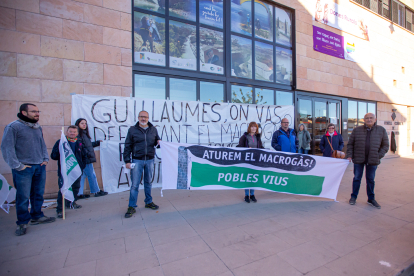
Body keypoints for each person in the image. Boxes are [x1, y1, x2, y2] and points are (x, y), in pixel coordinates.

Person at [1, 103, 55, 236]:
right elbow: (7, 148)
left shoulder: (37, 127)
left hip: (39, 166)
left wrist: (45, 159)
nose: (37, 114)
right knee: (23, 196)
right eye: (33, 112)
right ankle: (22, 222)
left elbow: (42, 144)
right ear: (24, 113)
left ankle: (37, 215)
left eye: (38, 111)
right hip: (24, 168)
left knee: (38, 193)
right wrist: (18, 166)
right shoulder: (13, 127)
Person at [346, 113, 389, 209]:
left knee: (370, 180)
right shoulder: (357, 130)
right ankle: (353, 197)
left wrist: (378, 156)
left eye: (371, 118)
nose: (369, 120)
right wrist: (349, 155)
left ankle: (371, 199)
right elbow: (350, 144)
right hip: (358, 159)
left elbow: (385, 145)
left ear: (375, 119)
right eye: (367, 118)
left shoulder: (381, 130)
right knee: (357, 178)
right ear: (364, 120)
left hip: (373, 160)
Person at [124, 111, 161, 218]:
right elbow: (127, 146)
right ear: (138, 117)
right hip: (137, 161)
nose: (143, 119)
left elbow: (156, 142)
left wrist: (159, 142)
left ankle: (148, 202)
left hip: (150, 160)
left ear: (148, 118)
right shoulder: (132, 130)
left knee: (148, 183)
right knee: (135, 185)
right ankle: (131, 206)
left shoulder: (153, 129)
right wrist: (127, 160)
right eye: (141, 117)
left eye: (145, 117)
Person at [51, 125, 87, 218]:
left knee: (76, 188)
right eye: (70, 132)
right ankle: (60, 210)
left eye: (74, 132)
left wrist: (81, 167)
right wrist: (60, 151)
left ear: (77, 133)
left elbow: (84, 156)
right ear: (67, 132)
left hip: (76, 171)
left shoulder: (79, 143)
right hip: (64, 172)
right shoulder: (61, 142)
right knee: (63, 190)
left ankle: (71, 202)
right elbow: (53, 156)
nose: (72, 133)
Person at [75, 118, 108, 198]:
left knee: (83, 176)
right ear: (78, 124)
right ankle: (96, 191)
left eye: (85, 123)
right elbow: (81, 147)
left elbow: (88, 145)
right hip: (85, 158)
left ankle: (79, 193)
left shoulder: (84, 134)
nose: (84, 125)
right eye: (82, 123)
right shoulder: (79, 135)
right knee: (91, 175)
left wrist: (97, 143)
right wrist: (86, 155)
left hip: (85, 158)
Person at [237, 122, 264, 203]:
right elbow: (239, 147)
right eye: (252, 127)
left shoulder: (258, 137)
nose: (253, 128)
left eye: (255, 127)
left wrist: (267, 150)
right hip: (247, 161)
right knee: (247, 178)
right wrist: (246, 148)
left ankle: (252, 194)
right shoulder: (244, 137)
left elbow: (261, 147)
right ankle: (246, 195)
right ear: (249, 128)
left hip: (255, 161)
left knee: (253, 178)